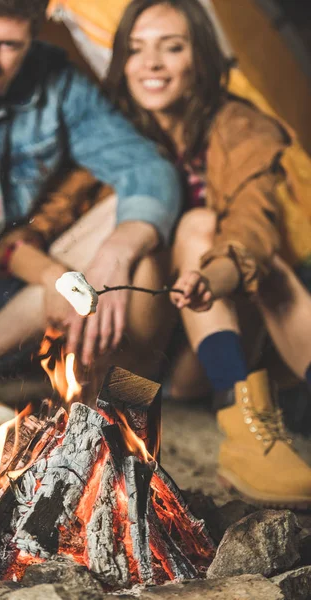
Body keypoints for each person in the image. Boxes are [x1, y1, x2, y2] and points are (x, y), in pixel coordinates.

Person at [0, 0, 182, 430]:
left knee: (142, 243)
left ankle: (112, 420)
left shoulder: (56, 81)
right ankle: (109, 411)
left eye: (8, 45)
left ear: (34, 33)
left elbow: (147, 169)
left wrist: (117, 250)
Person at [104, 0, 311, 507]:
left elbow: (252, 226)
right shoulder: (112, 132)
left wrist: (210, 277)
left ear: (202, 58)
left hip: (208, 350)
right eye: (136, 49)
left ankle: (243, 427)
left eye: (171, 47)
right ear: (121, 61)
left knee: (236, 246)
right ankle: (120, 412)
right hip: (140, 359)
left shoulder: (241, 128)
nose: (151, 64)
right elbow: (64, 209)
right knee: (145, 238)